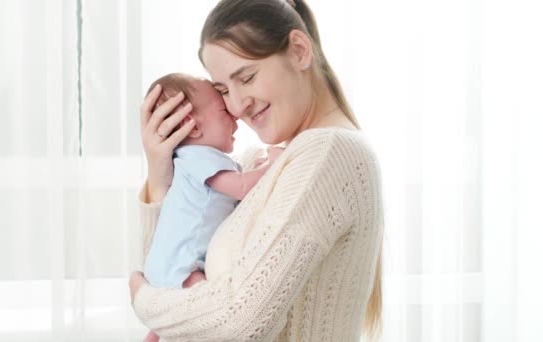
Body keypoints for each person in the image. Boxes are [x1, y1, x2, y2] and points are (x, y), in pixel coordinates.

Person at [130, 0, 384, 341]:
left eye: (246, 77)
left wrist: (143, 299)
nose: (236, 105)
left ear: (298, 50)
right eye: (222, 90)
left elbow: (241, 320)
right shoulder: (252, 165)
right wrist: (160, 177)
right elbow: (171, 267)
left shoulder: (328, 154)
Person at [141, 73, 283, 342]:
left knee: (162, 328)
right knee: (211, 310)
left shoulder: (198, 160)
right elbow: (241, 187)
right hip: (181, 267)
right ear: (191, 125)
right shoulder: (198, 157)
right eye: (223, 110)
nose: (236, 117)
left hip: (167, 266)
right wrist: (274, 165)